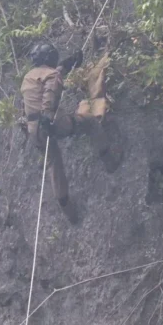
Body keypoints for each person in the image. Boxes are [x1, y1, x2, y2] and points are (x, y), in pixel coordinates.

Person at [21, 41, 104, 221]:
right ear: (50, 57)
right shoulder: (51, 75)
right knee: (89, 121)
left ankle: (69, 211)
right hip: (50, 123)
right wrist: (48, 117)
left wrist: (70, 63)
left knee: (54, 166)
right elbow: (50, 93)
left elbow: (41, 87)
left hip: (33, 130)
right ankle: (108, 157)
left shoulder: (28, 77)